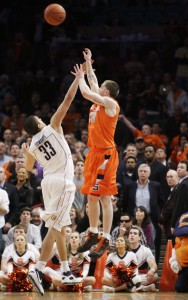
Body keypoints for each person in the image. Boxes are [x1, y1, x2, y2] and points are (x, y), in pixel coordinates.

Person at [21, 75, 83, 295]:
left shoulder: (31, 145)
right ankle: (50, 269)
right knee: (58, 228)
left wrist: (27, 150)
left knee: (57, 228)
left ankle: (51, 269)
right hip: (62, 183)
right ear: (39, 123)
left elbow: (28, 168)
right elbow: (67, 100)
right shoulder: (53, 126)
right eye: (40, 119)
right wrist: (78, 79)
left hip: (47, 183)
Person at [72, 48, 120, 259]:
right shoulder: (99, 101)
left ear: (107, 92)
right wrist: (89, 62)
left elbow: (85, 91)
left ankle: (106, 238)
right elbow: (93, 82)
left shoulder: (110, 104)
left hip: (106, 156)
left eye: (101, 87)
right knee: (91, 197)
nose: (98, 87)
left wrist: (79, 77)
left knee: (104, 198)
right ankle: (93, 232)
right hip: (93, 154)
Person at [171, 160, 188, 233]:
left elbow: (180, 206)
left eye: (182, 167)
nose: (178, 169)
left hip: (183, 222)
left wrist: (173, 224)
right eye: (178, 167)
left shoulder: (184, 185)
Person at [128, 226, 158, 292]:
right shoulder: (124, 248)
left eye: (135, 233)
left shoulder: (146, 250)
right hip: (127, 276)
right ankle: (143, 288)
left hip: (140, 276)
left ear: (140, 238)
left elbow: (154, 265)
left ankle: (130, 287)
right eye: (130, 233)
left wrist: (152, 270)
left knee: (155, 276)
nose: (132, 235)